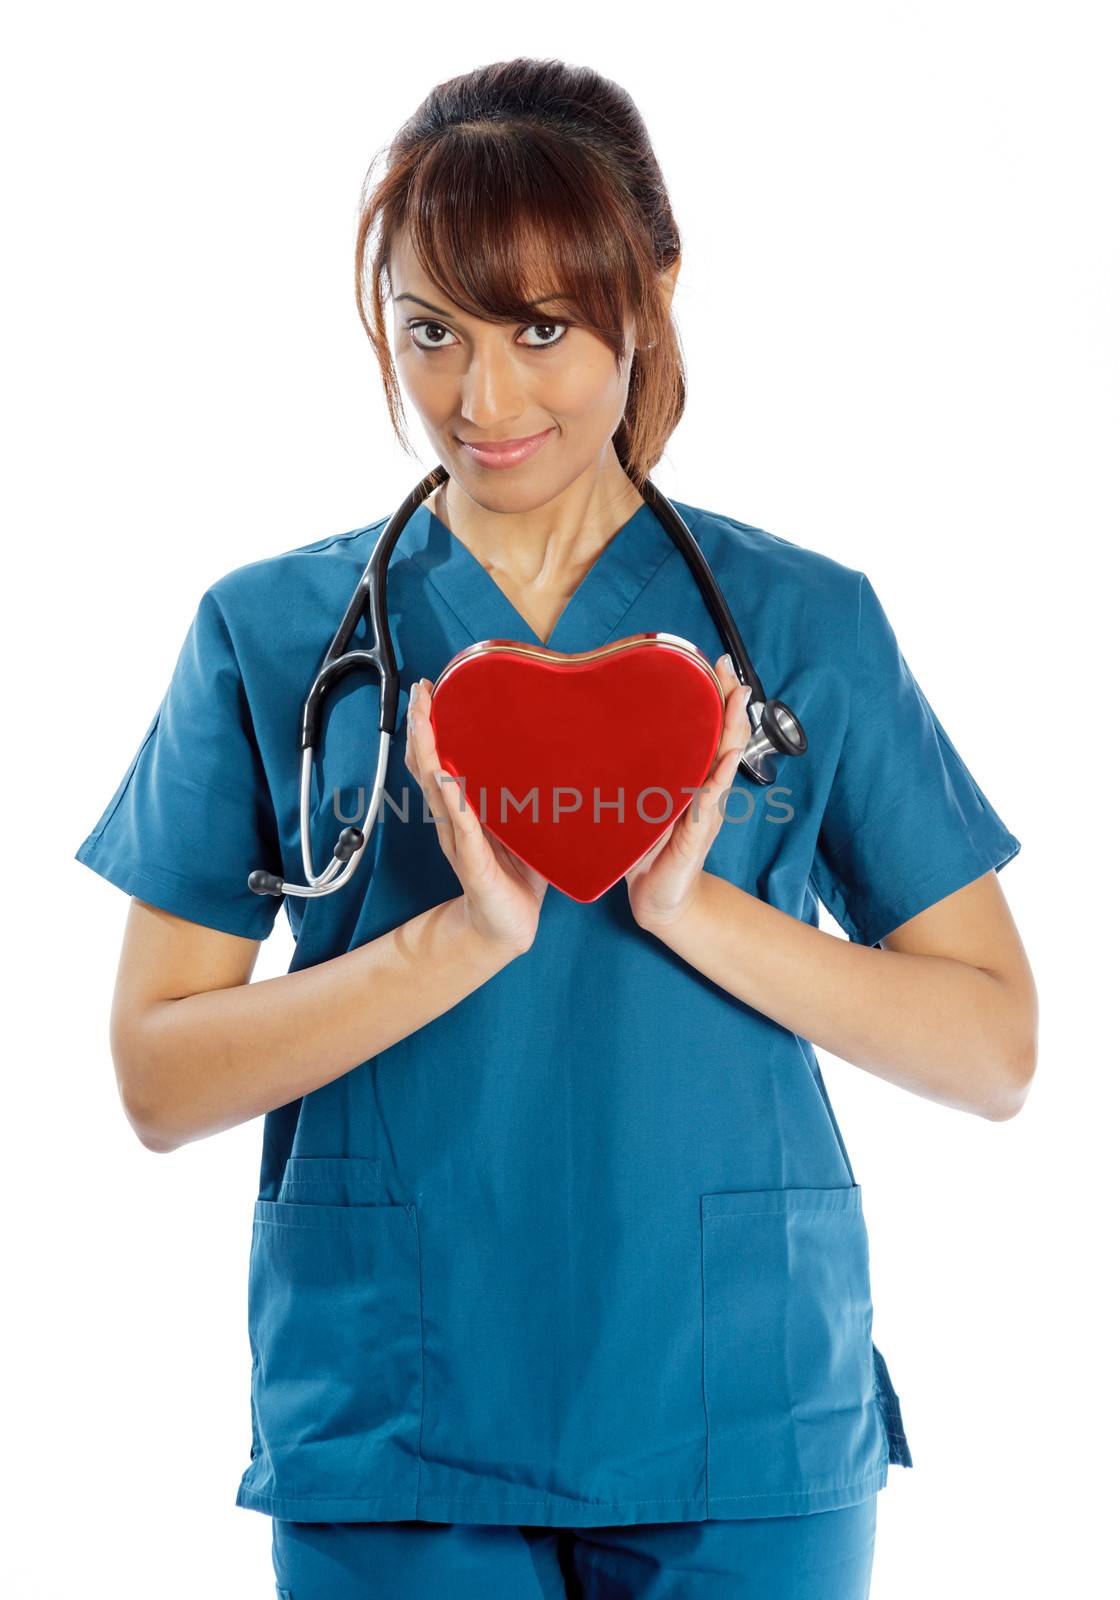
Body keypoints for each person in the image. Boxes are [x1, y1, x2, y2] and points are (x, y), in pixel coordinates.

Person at [73, 56, 1038, 1600]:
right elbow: (156, 1077)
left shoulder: (802, 625)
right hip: (402, 1417)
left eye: (541, 330)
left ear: (647, 297)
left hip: (737, 1415)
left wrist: (695, 908)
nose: (483, 397)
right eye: (432, 331)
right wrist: (464, 938)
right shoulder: (270, 634)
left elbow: (995, 1050)